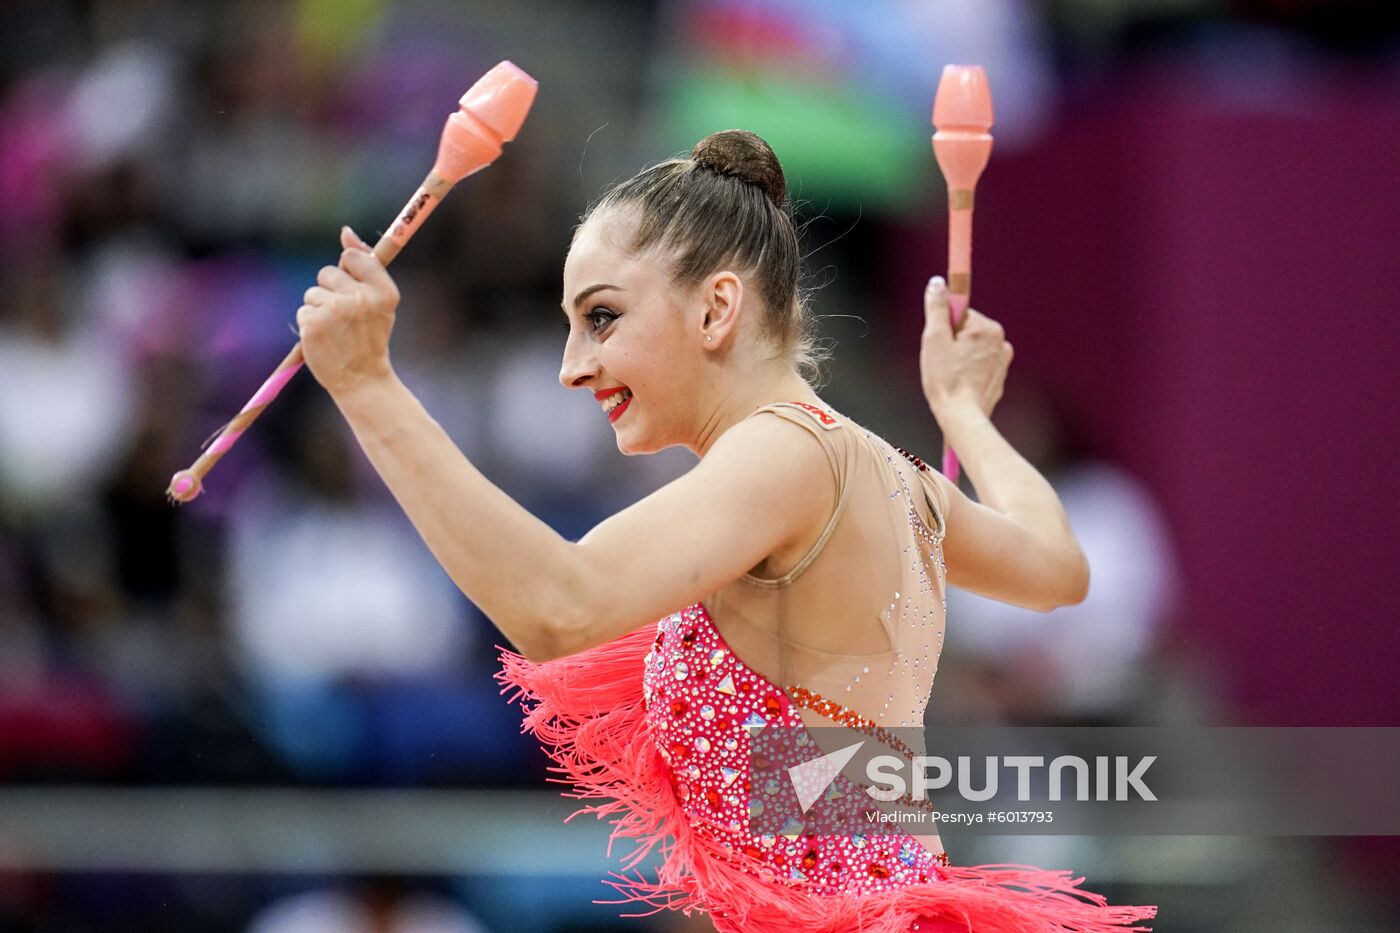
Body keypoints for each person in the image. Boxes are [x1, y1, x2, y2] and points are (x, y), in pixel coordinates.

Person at [294, 129, 1157, 932]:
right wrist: (964, 412)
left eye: (600, 317)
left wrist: (371, 387)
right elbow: (1056, 566)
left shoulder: (782, 455)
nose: (570, 365)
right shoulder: (880, 471)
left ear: (716, 310)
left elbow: (561, 605)